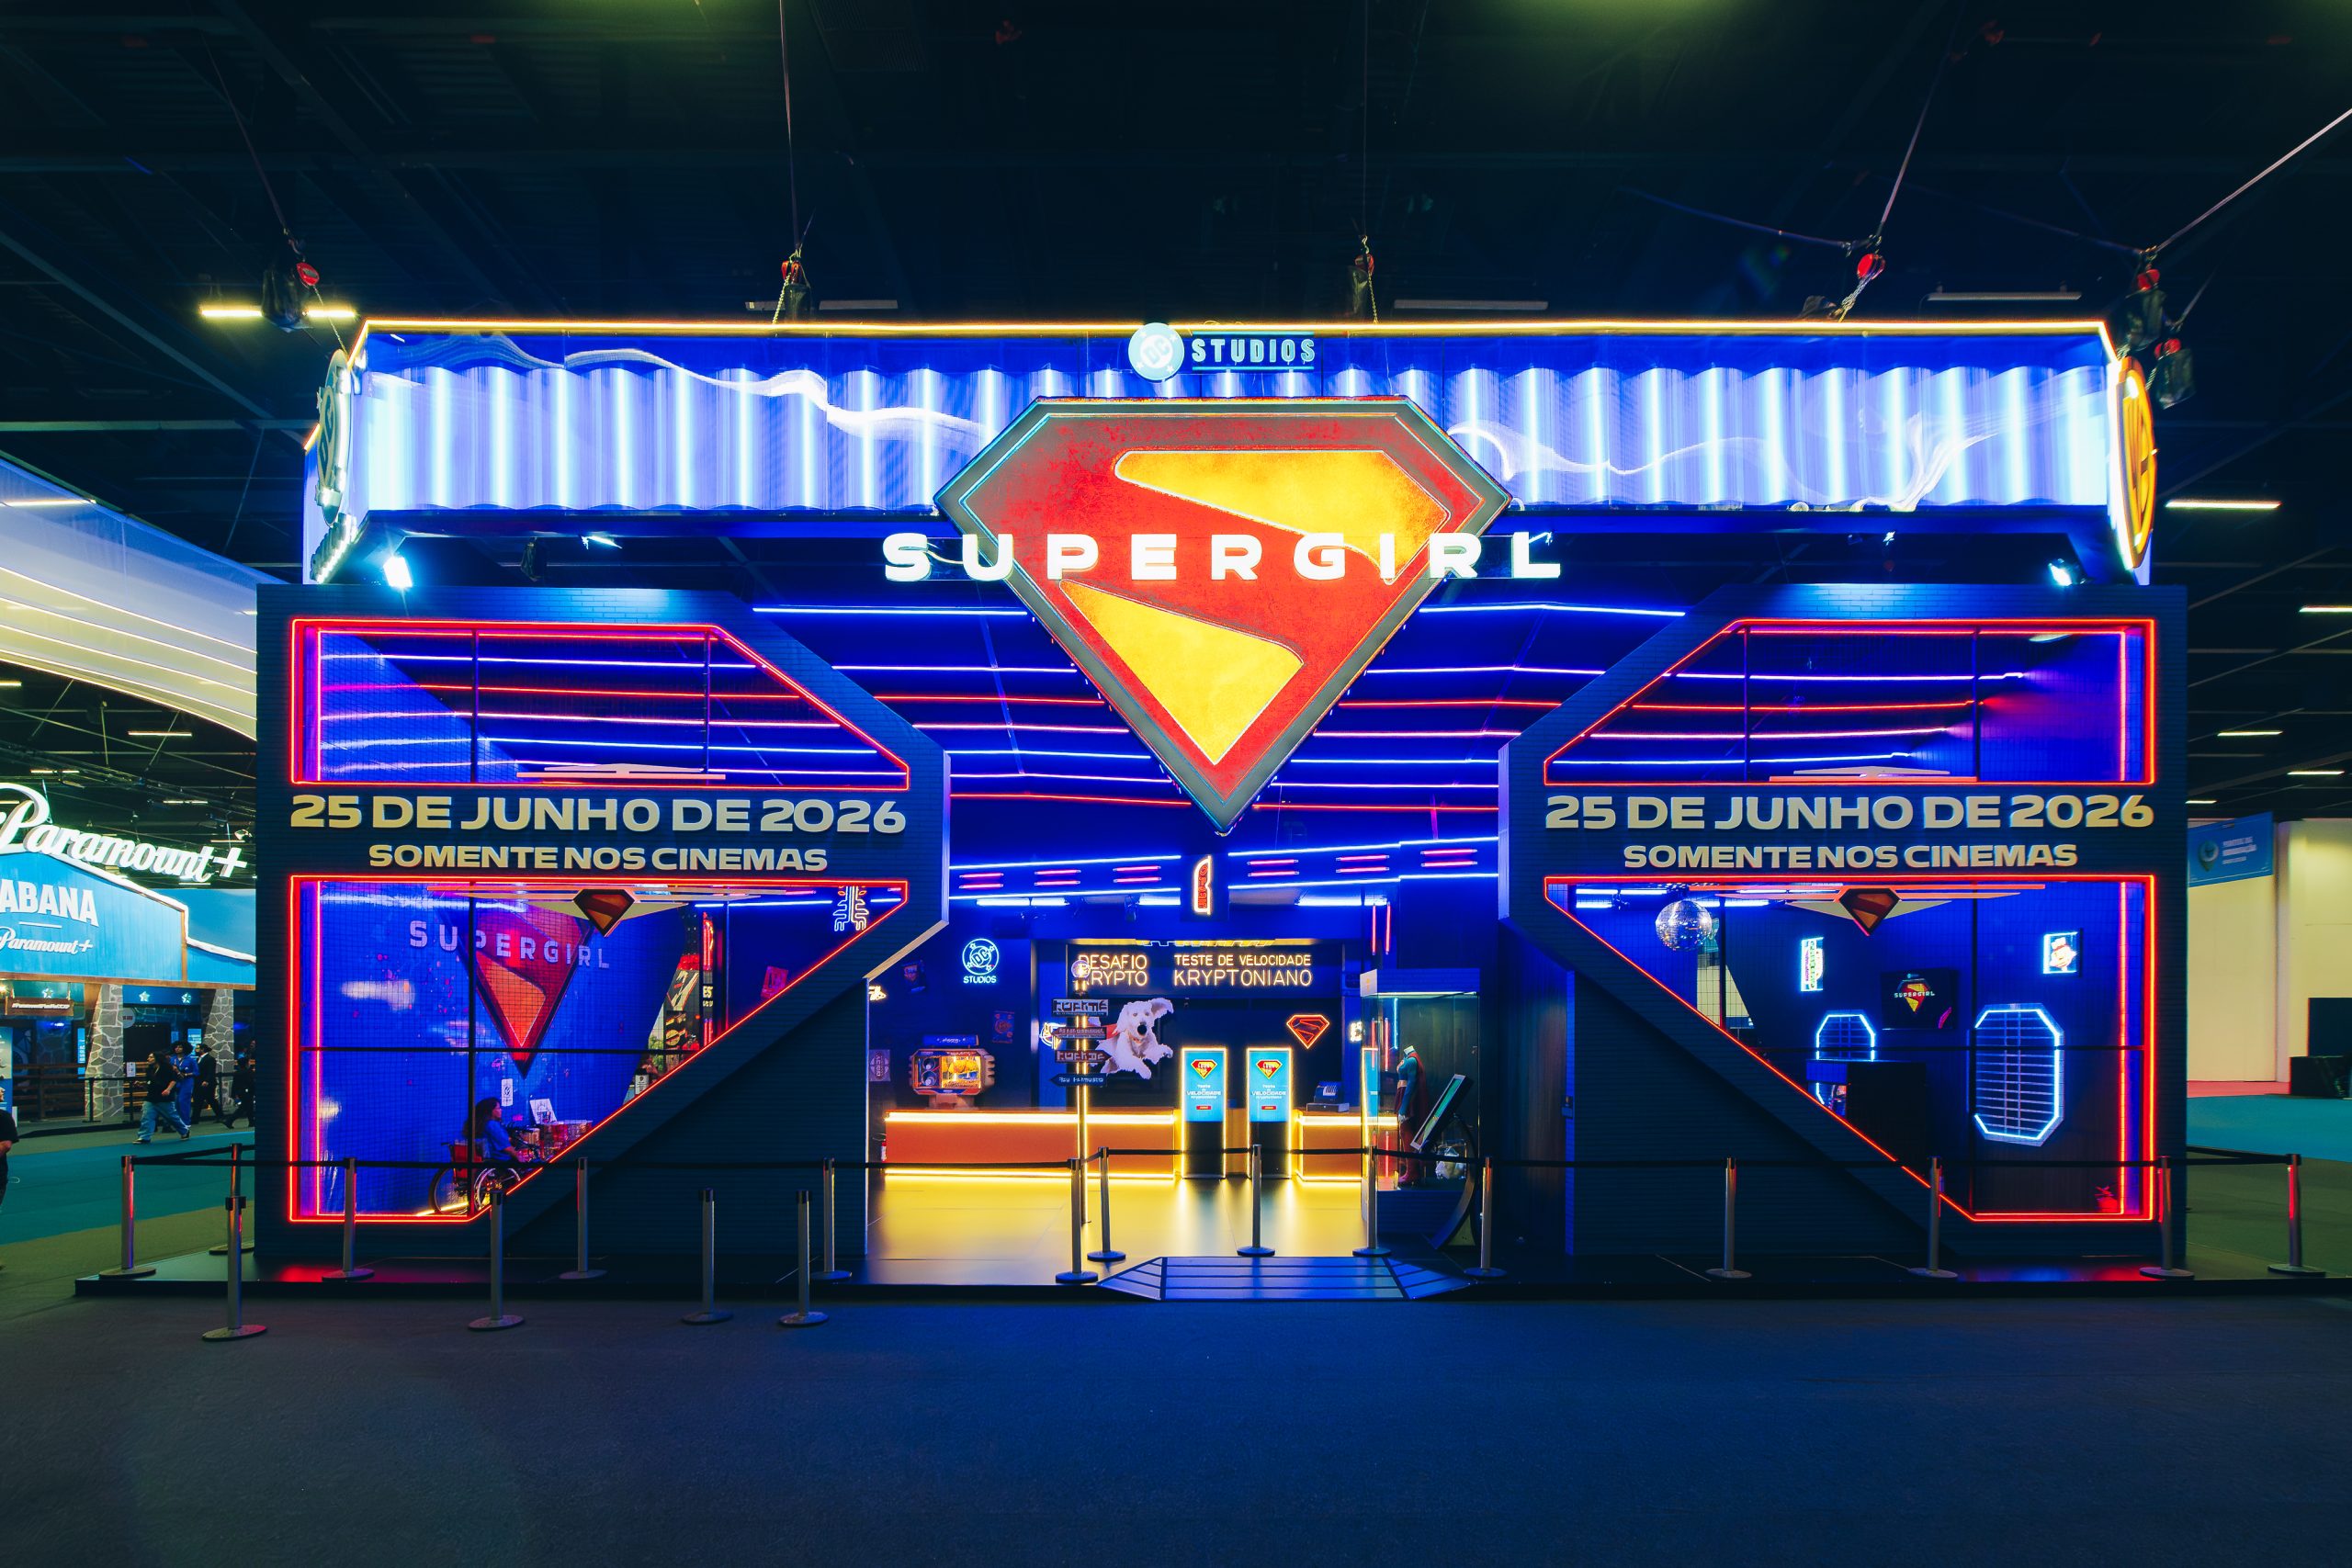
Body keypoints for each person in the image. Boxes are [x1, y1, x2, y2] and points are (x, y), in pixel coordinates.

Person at [135, 1051, 189, 1143]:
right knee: (146, 1117)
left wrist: (168, 1089)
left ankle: (184, 1131)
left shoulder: (167, 1068)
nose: (148, 1059)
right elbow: (150, 1083)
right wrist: (141, 1084)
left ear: (157, 1058)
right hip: (151, 1097)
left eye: (151, 1057)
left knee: (172, 1117)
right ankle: (144, 1137)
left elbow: (173, 1080)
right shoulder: (150, 1069)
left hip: (164, 1097)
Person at [224, 1051, 256, 1130]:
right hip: (248, 1092)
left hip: (240, 1092)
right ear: (246, 1064)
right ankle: (229, 1120)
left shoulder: (237, 1072)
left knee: (249, 1107)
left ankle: (251, 1122)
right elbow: (251, 1083)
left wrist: (233, 1094)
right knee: (244, 1108)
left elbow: (234, 1084)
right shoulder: (249, 1072)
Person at [170, 1041, 196, 1130]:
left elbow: (196, 1072)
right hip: (176, 1082)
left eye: (180, 1047)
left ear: (185, 1048)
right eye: (176, 1047)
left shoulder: (190, 1060)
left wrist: (186, 1074)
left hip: (187, 1082)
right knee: (176, 1103)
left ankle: (186, 1122)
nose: (177, 1049)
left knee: (183, 1101)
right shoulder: (172, 1059)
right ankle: (179, 1122)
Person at [191, 1046, 221, 1124]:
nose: (196, 1050)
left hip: (208, 1083)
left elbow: (211, 1071)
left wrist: (207, 1080)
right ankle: (195, 1119)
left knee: (211, 1099)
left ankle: (220, 1115)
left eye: (197, 1049)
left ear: (203, 1049)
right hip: (198, 1082)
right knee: (197, 1100)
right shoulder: (198, 1059)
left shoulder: (210, 1059)